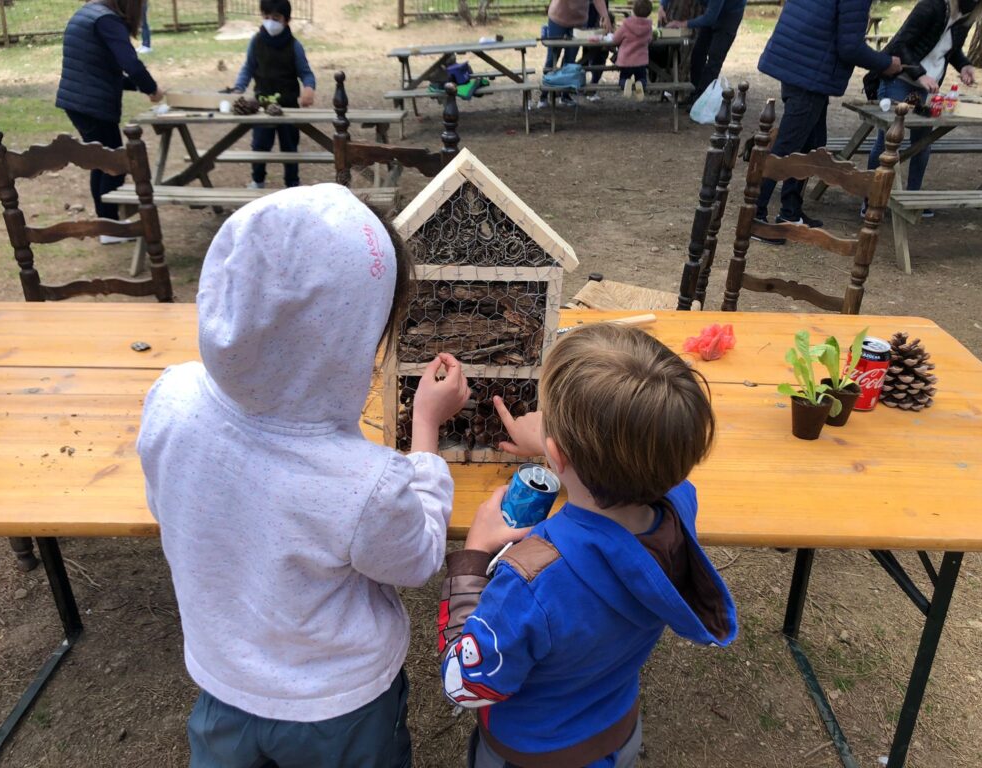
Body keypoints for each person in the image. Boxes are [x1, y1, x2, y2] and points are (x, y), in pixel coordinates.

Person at [138, 184, 469, 768]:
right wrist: (425, 431)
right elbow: (417, 558)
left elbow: (174, 501)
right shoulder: (365, 482)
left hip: (225, 686)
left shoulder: (172, 396)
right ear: (349, 341)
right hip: (342, 713)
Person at [437, 324, 737, 768]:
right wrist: (555, 444)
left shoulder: (533, 578)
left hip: (531, 755)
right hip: (615, 730)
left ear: (556, 457)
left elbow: (465, 685)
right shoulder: (678, 504)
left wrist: (474, 557)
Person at [752, 0, 902, 241]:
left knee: (812, 143)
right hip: (809, 71)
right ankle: (755, 217)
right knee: (787, 147)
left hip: (800, 63)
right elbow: (850, 47)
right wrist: (886, 64)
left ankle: (790, 212)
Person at [55, 0, 163, 242]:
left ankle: (106, 225)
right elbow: (131, 65)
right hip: (90, 104)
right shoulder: (107, 20)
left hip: (78, 102)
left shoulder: (88, 13)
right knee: (114, 163)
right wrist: (152, 89)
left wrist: (141, 87)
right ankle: (111, 228)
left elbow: (100, 70)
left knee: (100, 160)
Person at [864, 0, 982, 219]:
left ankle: (913, 198)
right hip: (899, 79)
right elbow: (901, 44)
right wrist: (919, 73)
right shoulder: (931, 6)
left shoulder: (965, 18)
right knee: (888, 140)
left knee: (922, 143)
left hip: (925, 86)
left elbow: (950, 49)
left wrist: (964, 64)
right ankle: (872, 199)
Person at [232, 0, 316, 190]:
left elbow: (305, 72)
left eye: (276, 18)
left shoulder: (294, 46)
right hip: (261, 106)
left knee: (290, 147)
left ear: (286, 20)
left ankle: (292, 184)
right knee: (260, 146)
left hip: (288, 107)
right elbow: (248, 68)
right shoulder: (256, 42)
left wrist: (309, 88)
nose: (270, 22)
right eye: (266, 17)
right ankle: (258, 180)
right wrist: (238, 87)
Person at [664, 0, 747, 102]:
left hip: (730, 14)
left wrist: (683, 23)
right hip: (712, 10)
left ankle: (702, 99)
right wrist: (662, 6)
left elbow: (710, 18)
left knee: (714, 58)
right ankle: (694, 94)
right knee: (698, 54)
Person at [538, 0, 613, 108]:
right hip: (558, 19)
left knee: (570, 60)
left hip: (579, 22)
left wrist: (605, 16)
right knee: (553, 56)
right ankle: (544, 95)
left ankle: (565, 95)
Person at [613, 0, 654, 100]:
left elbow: (615, 39)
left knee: (623, 79)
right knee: (642, 79)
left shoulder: (626, 25)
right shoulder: (648, 27)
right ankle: (640, 86)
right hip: (641, 61)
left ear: (633, 10)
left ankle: (625, 84)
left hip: (626, 60)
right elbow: (650, 39)